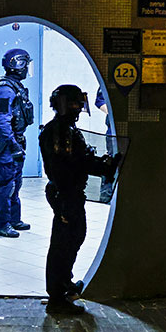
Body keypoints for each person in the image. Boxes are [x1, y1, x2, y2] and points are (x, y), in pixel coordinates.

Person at [39, 84, 121, 314]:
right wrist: (65, 205)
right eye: (75, 103)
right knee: (63, 246)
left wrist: (103, 165)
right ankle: (57, 298)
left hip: (68, 193)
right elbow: (66, 168)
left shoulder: (64, 129)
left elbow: (77, 161)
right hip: (66, 194)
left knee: (72, 240)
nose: (78, 108)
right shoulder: (60, 132)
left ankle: (64, 285)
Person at [0, 48, 35, 238]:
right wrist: (13, 145)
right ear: (18, 65)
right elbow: (2, 122)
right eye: (26, 65)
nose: (27, 70)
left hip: (14, 141)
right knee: (6, 184)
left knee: (16, 182)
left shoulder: (15, 87)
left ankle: (14, 219)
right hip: (6, 144)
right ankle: (1, 225)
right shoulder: (5, 90)